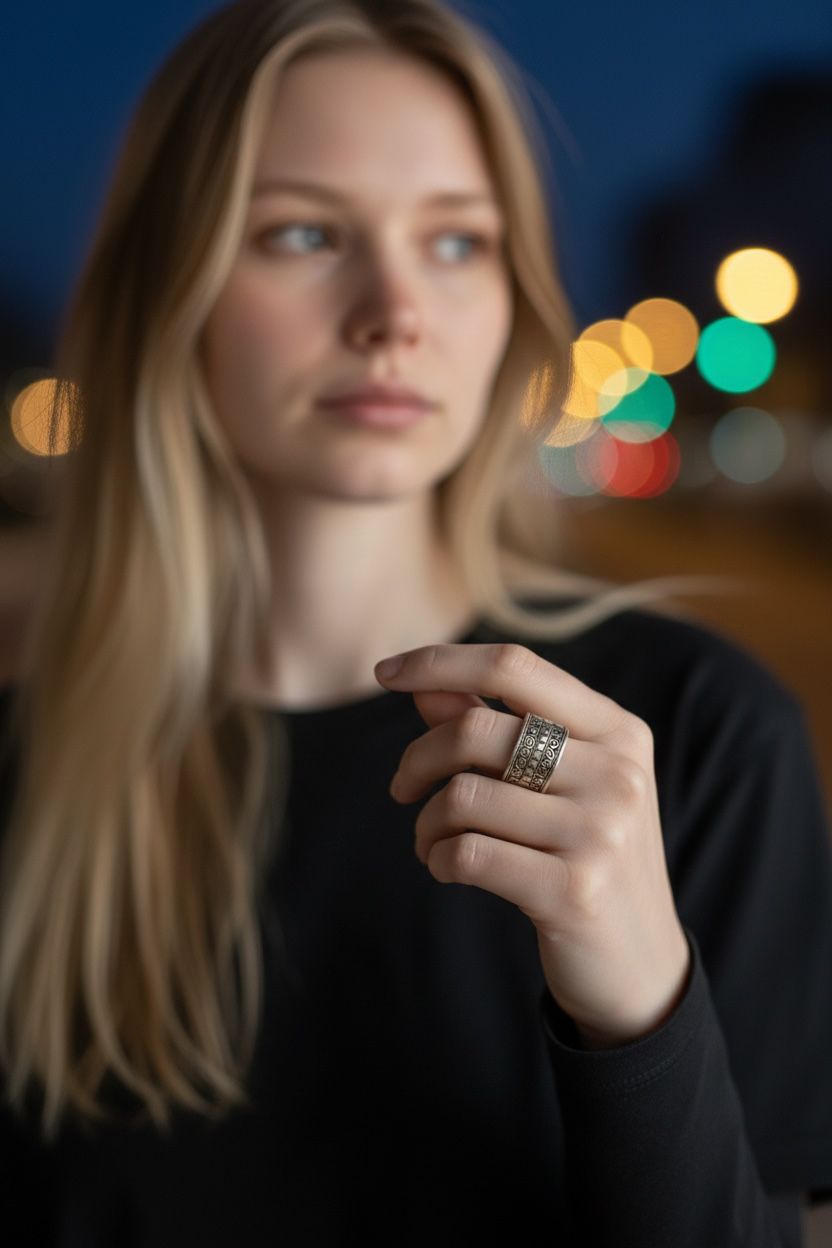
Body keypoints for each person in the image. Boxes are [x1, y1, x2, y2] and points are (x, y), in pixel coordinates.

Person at [1, 2, 830, 1245]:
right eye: (301, 231)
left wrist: (639, 1006)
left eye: (456, 242)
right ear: (162, 287)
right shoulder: (26, 766)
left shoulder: (691, 737)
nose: (396, 311)